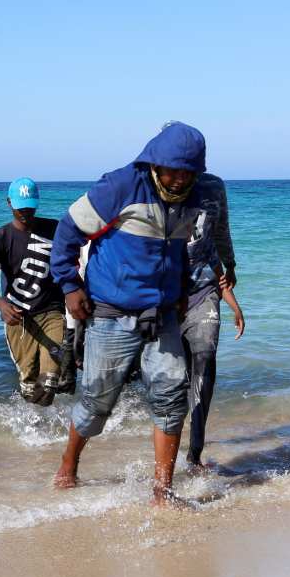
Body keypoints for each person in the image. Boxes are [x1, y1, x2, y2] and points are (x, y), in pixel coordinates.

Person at [50, 123, 206, 505]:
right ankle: (69, 464)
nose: (178, 178)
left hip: (164, 313)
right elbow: (68, 232)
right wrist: (70, 285)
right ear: (154, 163)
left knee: (171, 396)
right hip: (111, 313)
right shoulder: (120, 186)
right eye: (172, 170)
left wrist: (183, 289)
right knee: (97, 400)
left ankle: (162, 490)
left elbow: (178, 250)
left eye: (187, 172)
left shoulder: (192, 197)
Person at [176, 169, 246, 468]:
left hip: (204, 290)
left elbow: (218, 233)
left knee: (204, 364)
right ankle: (166, 452)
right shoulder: (149, 189)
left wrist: (229, 270)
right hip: (165, 297)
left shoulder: (213, 186)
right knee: (172, 380)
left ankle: (195, 452)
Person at [0, 178, 75, 406]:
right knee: (30, 387)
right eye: (20, 207)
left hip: (52, 313)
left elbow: (75, 256)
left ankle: (53, 432)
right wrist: (2, 306)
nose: (25, 212)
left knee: (50, 381)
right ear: (9, 203)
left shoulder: (54, 229)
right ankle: (34, 435)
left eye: (30, 206)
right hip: (19, 319)